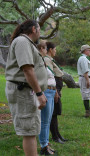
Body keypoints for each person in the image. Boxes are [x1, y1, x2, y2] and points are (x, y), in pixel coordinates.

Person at [5, 20, 47, 156]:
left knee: (32, 130)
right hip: (23, 91)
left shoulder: (27, 43)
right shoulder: (22, 42)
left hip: (26, 91)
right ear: (34, 29)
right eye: (39, 29)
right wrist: (39, 93)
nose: (40, 33)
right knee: (29, 131)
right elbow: (27, 70)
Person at [44, 42, 67, 144]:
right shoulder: (47, 60)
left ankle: (57, 134)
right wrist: (56, 91)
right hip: (53, 88)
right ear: (50, 50)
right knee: (53, 113)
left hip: (56, 87)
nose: (55, 51)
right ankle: (54, 136)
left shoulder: (51, 60)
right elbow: (50, 75)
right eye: (55, 49)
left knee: (56, 112)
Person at [38, 42, 58, 155]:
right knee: (44, 121)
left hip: (51, 91)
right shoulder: (39, 61)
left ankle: (45, 142)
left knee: (48, 120)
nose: (47, 50)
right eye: (46, 48)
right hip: (46, 92)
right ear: (41, 49)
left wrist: (55, 92)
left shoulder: (43, 61)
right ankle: (43, 146)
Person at [77, 45, 90, 118]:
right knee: (86, 95)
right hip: (85, 78)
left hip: (87, 78)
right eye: (89, 50)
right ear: (85, 50)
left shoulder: (85, 58)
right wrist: (88, 81)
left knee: (87, 95)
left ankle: (89, 111)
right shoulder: (83, 59)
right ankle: (88, 112)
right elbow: (85, 71)